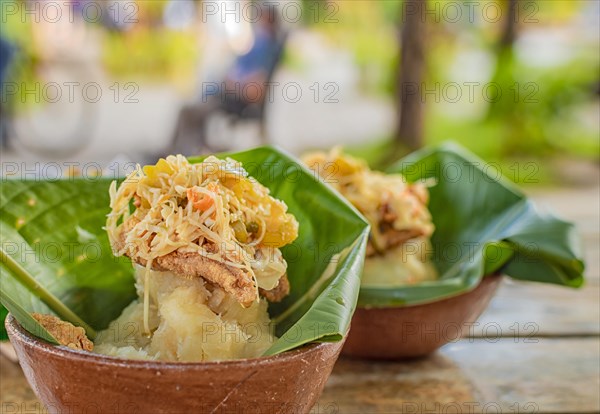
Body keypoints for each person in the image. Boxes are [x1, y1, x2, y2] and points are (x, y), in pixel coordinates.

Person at [171, 5, 281, 155]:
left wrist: (231, 82)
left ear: (268, 19)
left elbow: (255, 89)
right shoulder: (261, 43)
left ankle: (181, 154)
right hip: (226, 94)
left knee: (188, 112)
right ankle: (180, 152)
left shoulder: (266, 46)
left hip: (234, 100)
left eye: (261, 17)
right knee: (191, 109)